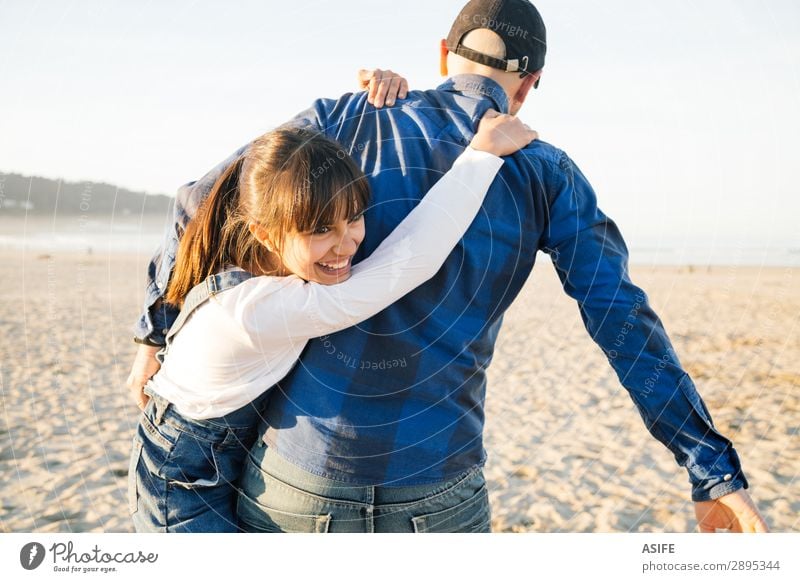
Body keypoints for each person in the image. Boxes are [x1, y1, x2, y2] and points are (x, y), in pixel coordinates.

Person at [128, 0, 768, 533]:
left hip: (294, 479)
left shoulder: (342, 118)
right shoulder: (546, 170)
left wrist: (156, 332)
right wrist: (708, 468)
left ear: (442, 54)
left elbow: (198, 201)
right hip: (438, 490)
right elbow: (621, 318)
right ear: (532, 82)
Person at [128, 111, 538, 532]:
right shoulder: (260, 308)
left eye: (355, 217)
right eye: (321, 228)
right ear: (265, 233)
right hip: (180, 480)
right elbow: (413, 260)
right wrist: (482, 154)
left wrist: (372, 98)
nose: (346, 244)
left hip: (203, 452)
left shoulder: (256, 264)